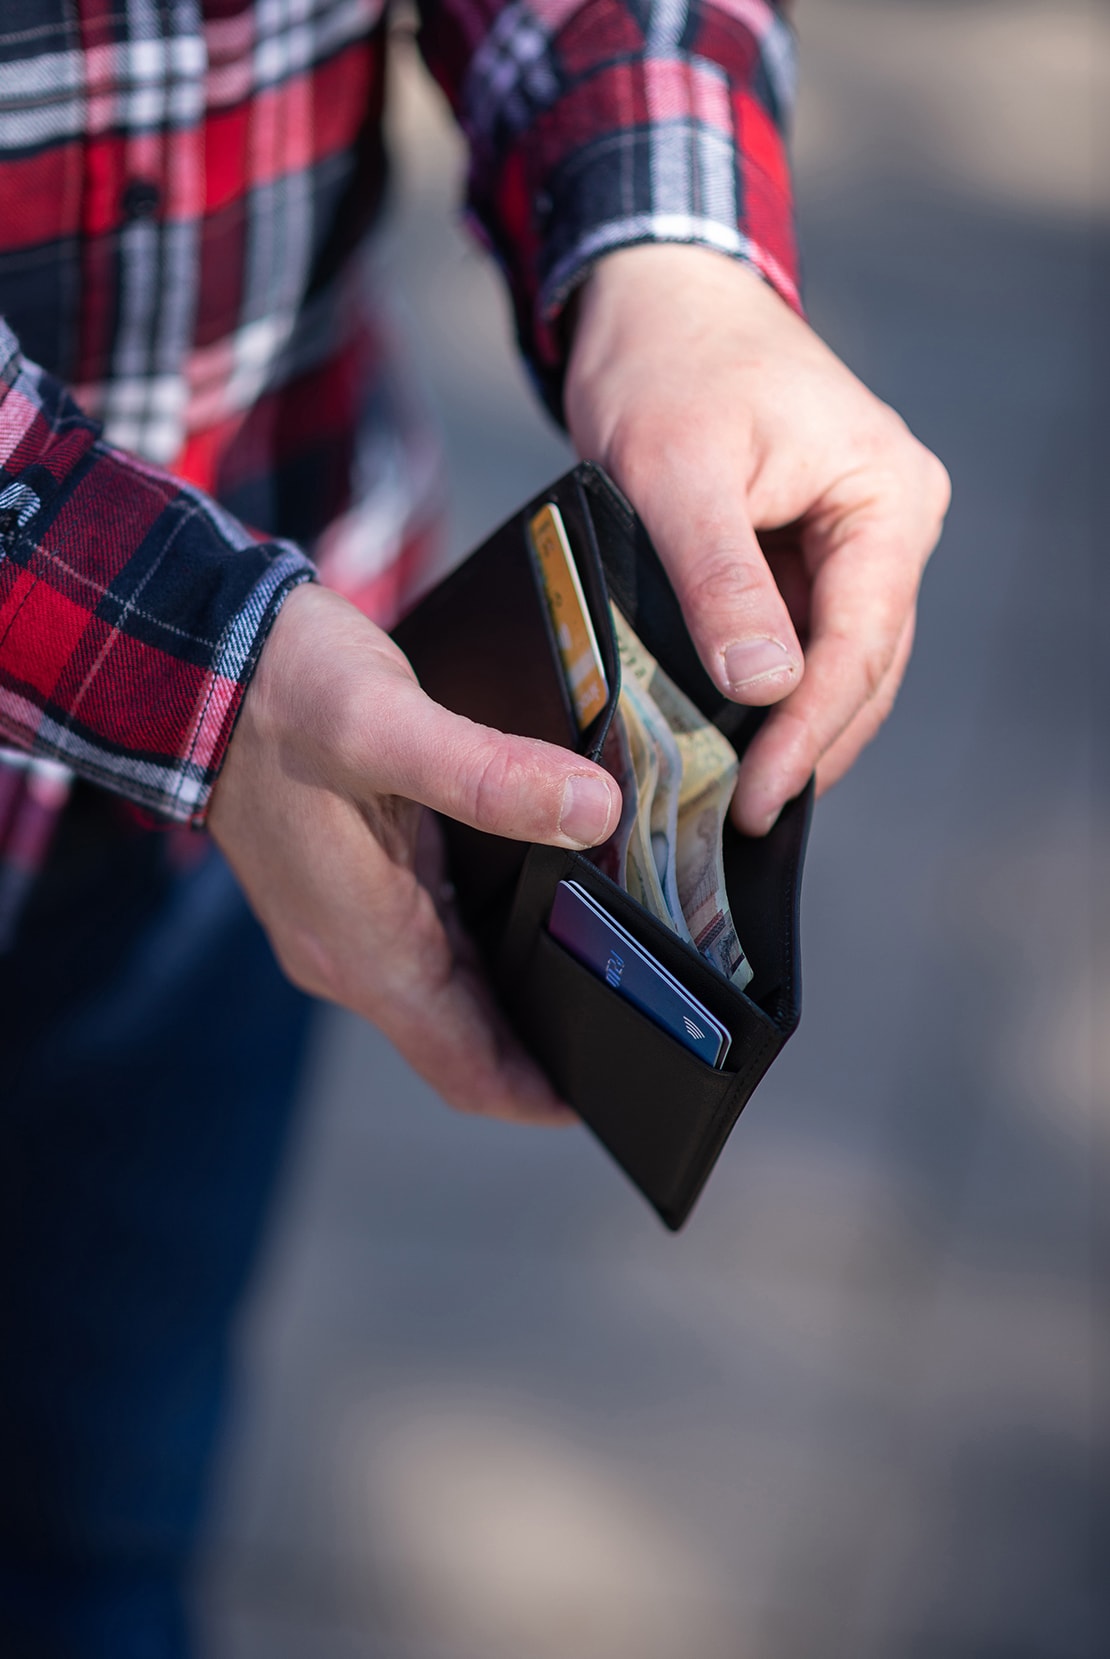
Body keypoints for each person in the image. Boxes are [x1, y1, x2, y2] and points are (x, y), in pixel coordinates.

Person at [0, 0, 949, 1652]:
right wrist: (200, 677)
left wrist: (677, 255)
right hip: (243, 701)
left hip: (251, 765)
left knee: (96, 1538)